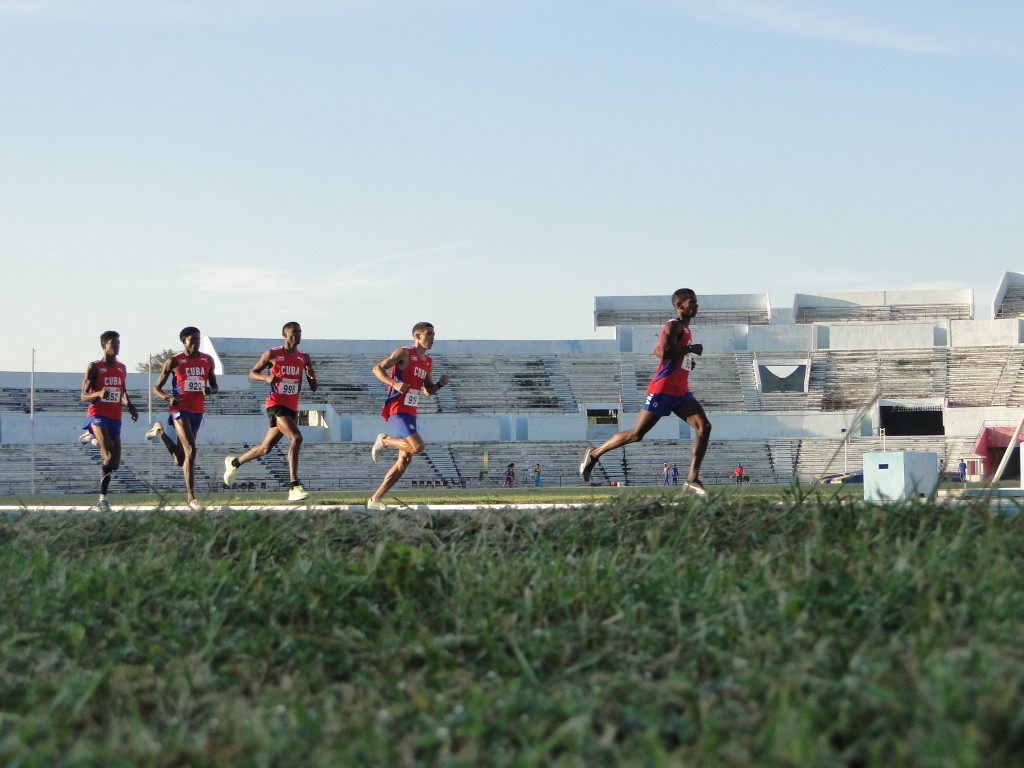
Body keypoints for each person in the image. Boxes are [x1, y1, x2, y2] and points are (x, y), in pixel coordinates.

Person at [579, 288, 712, 495]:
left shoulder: (685, 330)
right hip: (663, 390)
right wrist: (690, 349)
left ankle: (691, 479)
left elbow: (658, 350)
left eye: (696, 302)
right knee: (636, 434)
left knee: (704, 427)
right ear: (679, 306)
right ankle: (595, 454)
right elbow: (665, 351)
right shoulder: (673, 325)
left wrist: (686, 361)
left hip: (680, 391)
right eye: (691, 302)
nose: (696, 305)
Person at [223, 322, 319, 502]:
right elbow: (252, 373)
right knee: (296, 438)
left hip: (291, 407)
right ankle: (294, 486)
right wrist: (266, 377)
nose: (296, 335)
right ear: (284, 334)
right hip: (275, 404)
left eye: (299, 332)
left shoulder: (304, 357)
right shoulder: (273, 354)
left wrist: (312, 376)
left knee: (265, 448)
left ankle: (234, 462)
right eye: (292, 332)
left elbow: (314, 387)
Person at [367, 322, 449, 510]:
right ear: (417, 336)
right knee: (417, 446)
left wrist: (440, 384)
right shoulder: (404, 353)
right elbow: (377, 368)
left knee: (404, 460)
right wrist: (393, 383)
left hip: (411, 411)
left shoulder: (428, 362)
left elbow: (428, 391)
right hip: (397, 408)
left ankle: (374, 499)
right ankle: (384, 440)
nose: (432, 338)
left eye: (434, 334)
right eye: (429, 334)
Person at [145, 327, 219, 511]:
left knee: (180, 459)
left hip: (197, 410)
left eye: (198, 339)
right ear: (183, 341)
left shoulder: (207, 360)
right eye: (191, 339)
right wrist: (168, 398)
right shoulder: (174, 361)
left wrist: (210, 390)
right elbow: (156, 388)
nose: (195, 343)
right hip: (179, 409)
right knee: (191, 449)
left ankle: (160, 432)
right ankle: (192, 498)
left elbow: (215, 386)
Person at [80, 330, 139, 512]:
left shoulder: (122, 368)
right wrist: (98, 393)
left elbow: (122, 392)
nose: (117, 346)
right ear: (104, 346)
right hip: (97, 415)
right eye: (114, 343)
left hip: (115, 418)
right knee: (109, 456)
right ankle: (102, 499)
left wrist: (130, 405)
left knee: (114, 464)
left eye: (119, 343)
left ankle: (91, 439)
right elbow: (83, 396)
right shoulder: (95, 367)